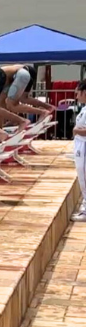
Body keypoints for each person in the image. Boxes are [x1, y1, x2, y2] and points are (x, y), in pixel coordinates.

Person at [72, 80, 86, 222]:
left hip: (84, 146)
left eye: (78, 93)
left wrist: (77, 131)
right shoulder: (84, 109)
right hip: (80, 146)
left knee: (84, 178)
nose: (76, 96)